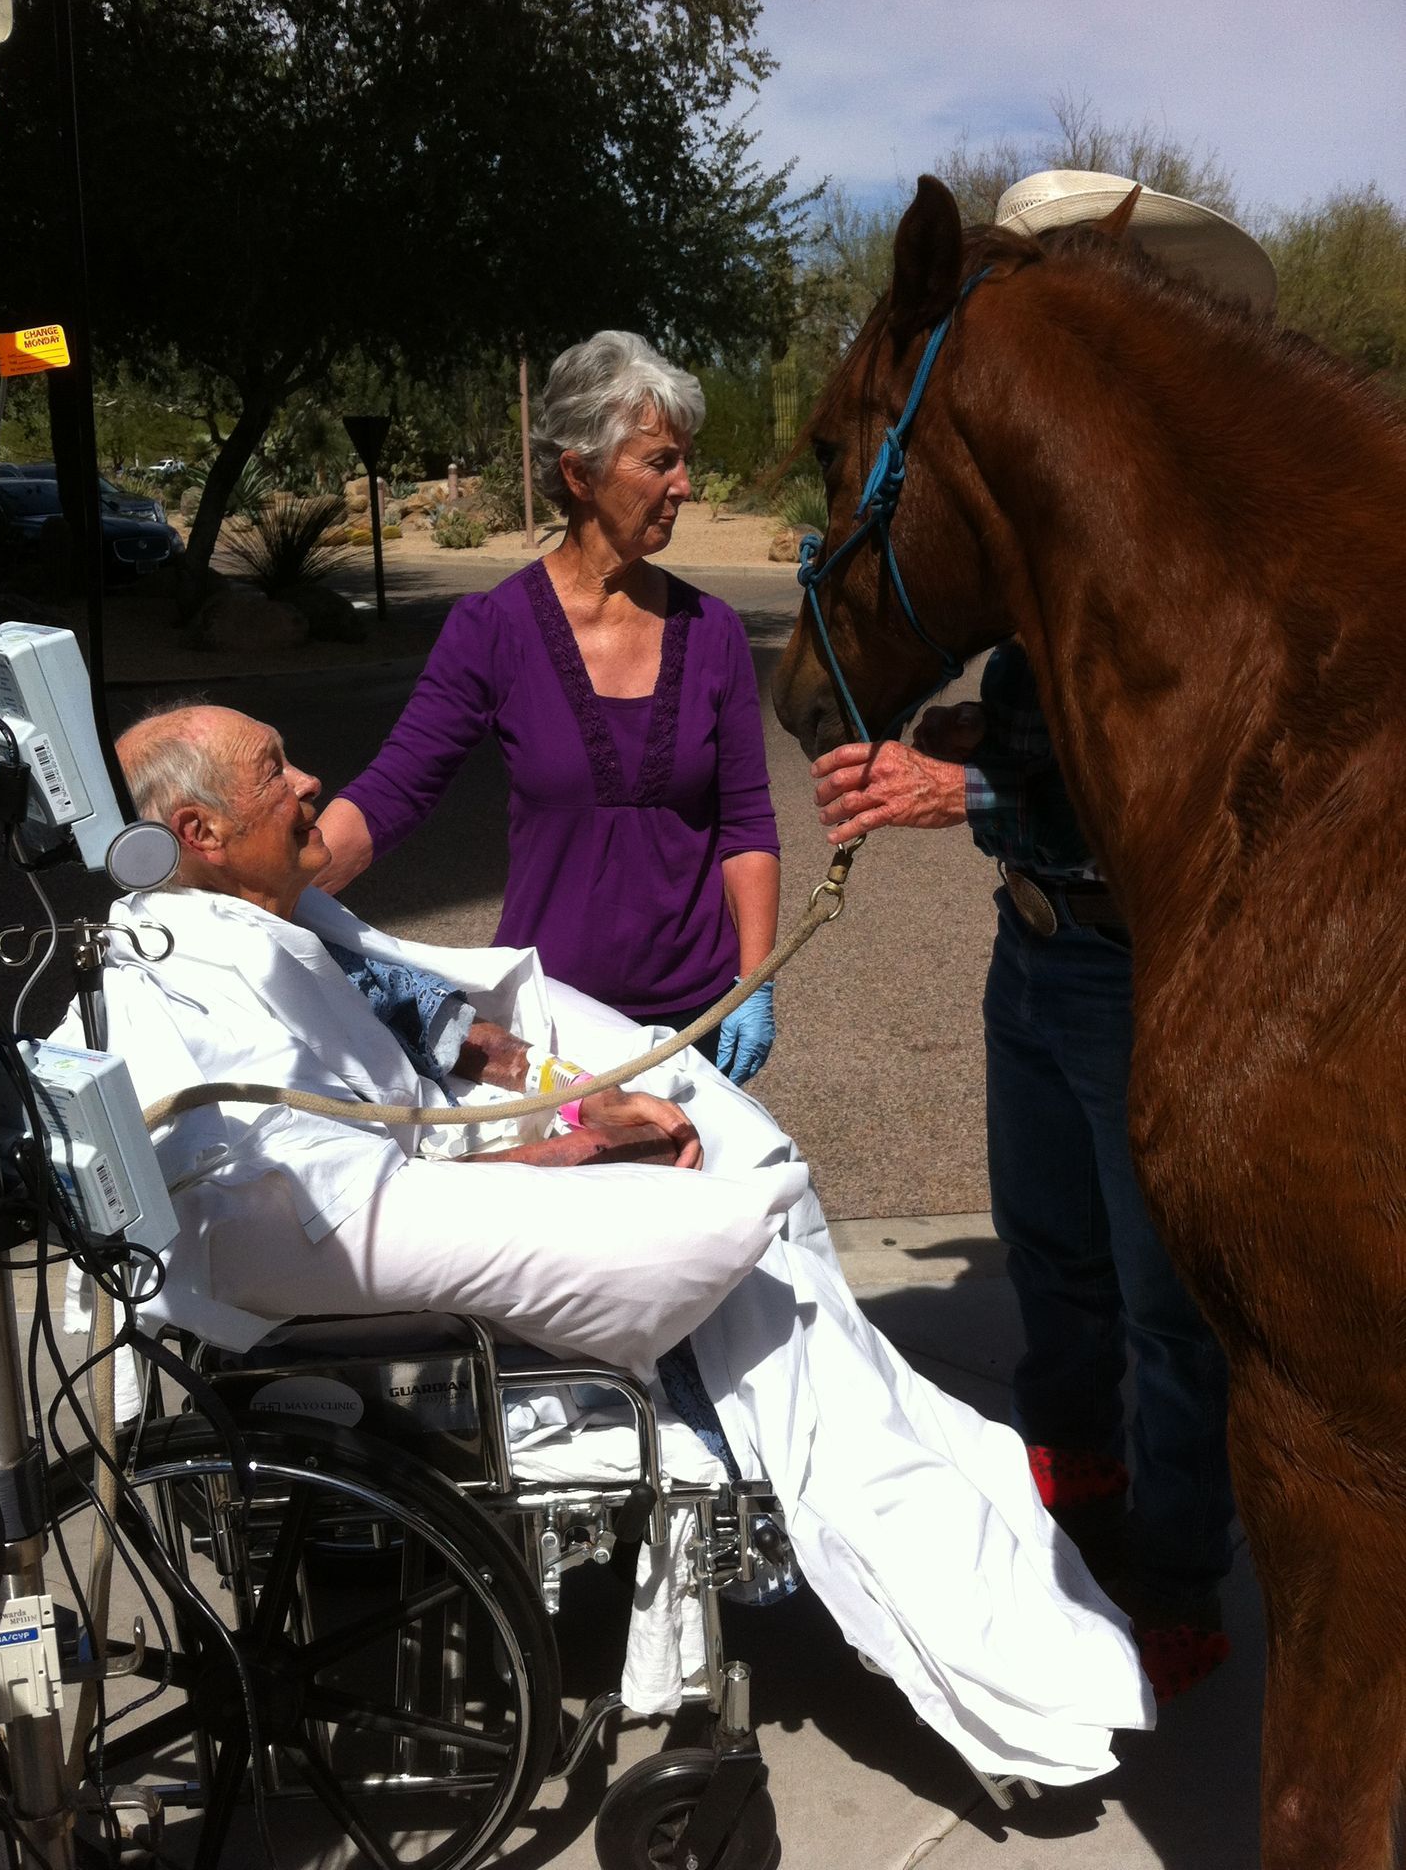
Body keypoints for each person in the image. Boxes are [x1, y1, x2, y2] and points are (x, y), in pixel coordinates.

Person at [59, 702, 1154, 1788]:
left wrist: (567, 1093)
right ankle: (989, 1614)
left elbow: (429, 1018)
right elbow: (351, 1208)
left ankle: (971, 1514)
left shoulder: (279, 922)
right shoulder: (198, 991)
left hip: (437, 1168)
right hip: (407, 1237)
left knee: (737, 1155)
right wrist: (580, 1150)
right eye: (275, 769)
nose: (310, 783)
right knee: (762, 1281)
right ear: (198, 832)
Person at [807, 171, 1276, 1703]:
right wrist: (972, 727)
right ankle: (1070, 1518)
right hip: (1033, 957)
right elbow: (1049, 706)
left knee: (1158, 1308)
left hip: (1128, 965)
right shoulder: (1050, 522)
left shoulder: (1180, 534)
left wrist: (973, 780)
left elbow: (1159, 758)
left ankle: (1178, 1579)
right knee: (1057, 1268)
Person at [316, 331, 780, 1083]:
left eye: (685, 461)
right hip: (554, 1024)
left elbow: (747, 824)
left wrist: (752, 984)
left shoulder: (714, 631)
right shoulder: (494, 628)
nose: (685, 485)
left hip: (695, 1021)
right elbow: (396, 789)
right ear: (580, 472)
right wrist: (267, 885)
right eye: (661, 461)